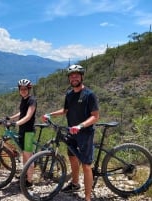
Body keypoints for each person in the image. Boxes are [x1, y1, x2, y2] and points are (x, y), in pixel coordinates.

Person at [44, 65, 99, 201]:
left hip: (85, 133)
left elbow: (95, 116)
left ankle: (87, 198)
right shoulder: (69, 94)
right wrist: (50, 114)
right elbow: (65, 110)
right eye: (71, 76)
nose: (74, 78)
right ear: (69, 79)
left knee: (86, 165)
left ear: (81, 77)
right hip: (71, 132)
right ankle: (75, 184)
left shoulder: (89, 95)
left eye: (76, 75)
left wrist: (80, 126)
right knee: (72, 158)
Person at [7, 79, 37, 187]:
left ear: (29, 89)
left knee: (28, 157)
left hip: (28, 132)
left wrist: (15, 123)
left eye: (25, 89)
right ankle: (25, 175)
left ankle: (29, 181)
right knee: (24, 155)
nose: (23, 91)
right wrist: (11, 118)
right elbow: (22, 112)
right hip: (22, 131)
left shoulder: (32, 100)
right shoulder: (24, 99)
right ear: (19, 90)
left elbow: (28, 116)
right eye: (21, 89)